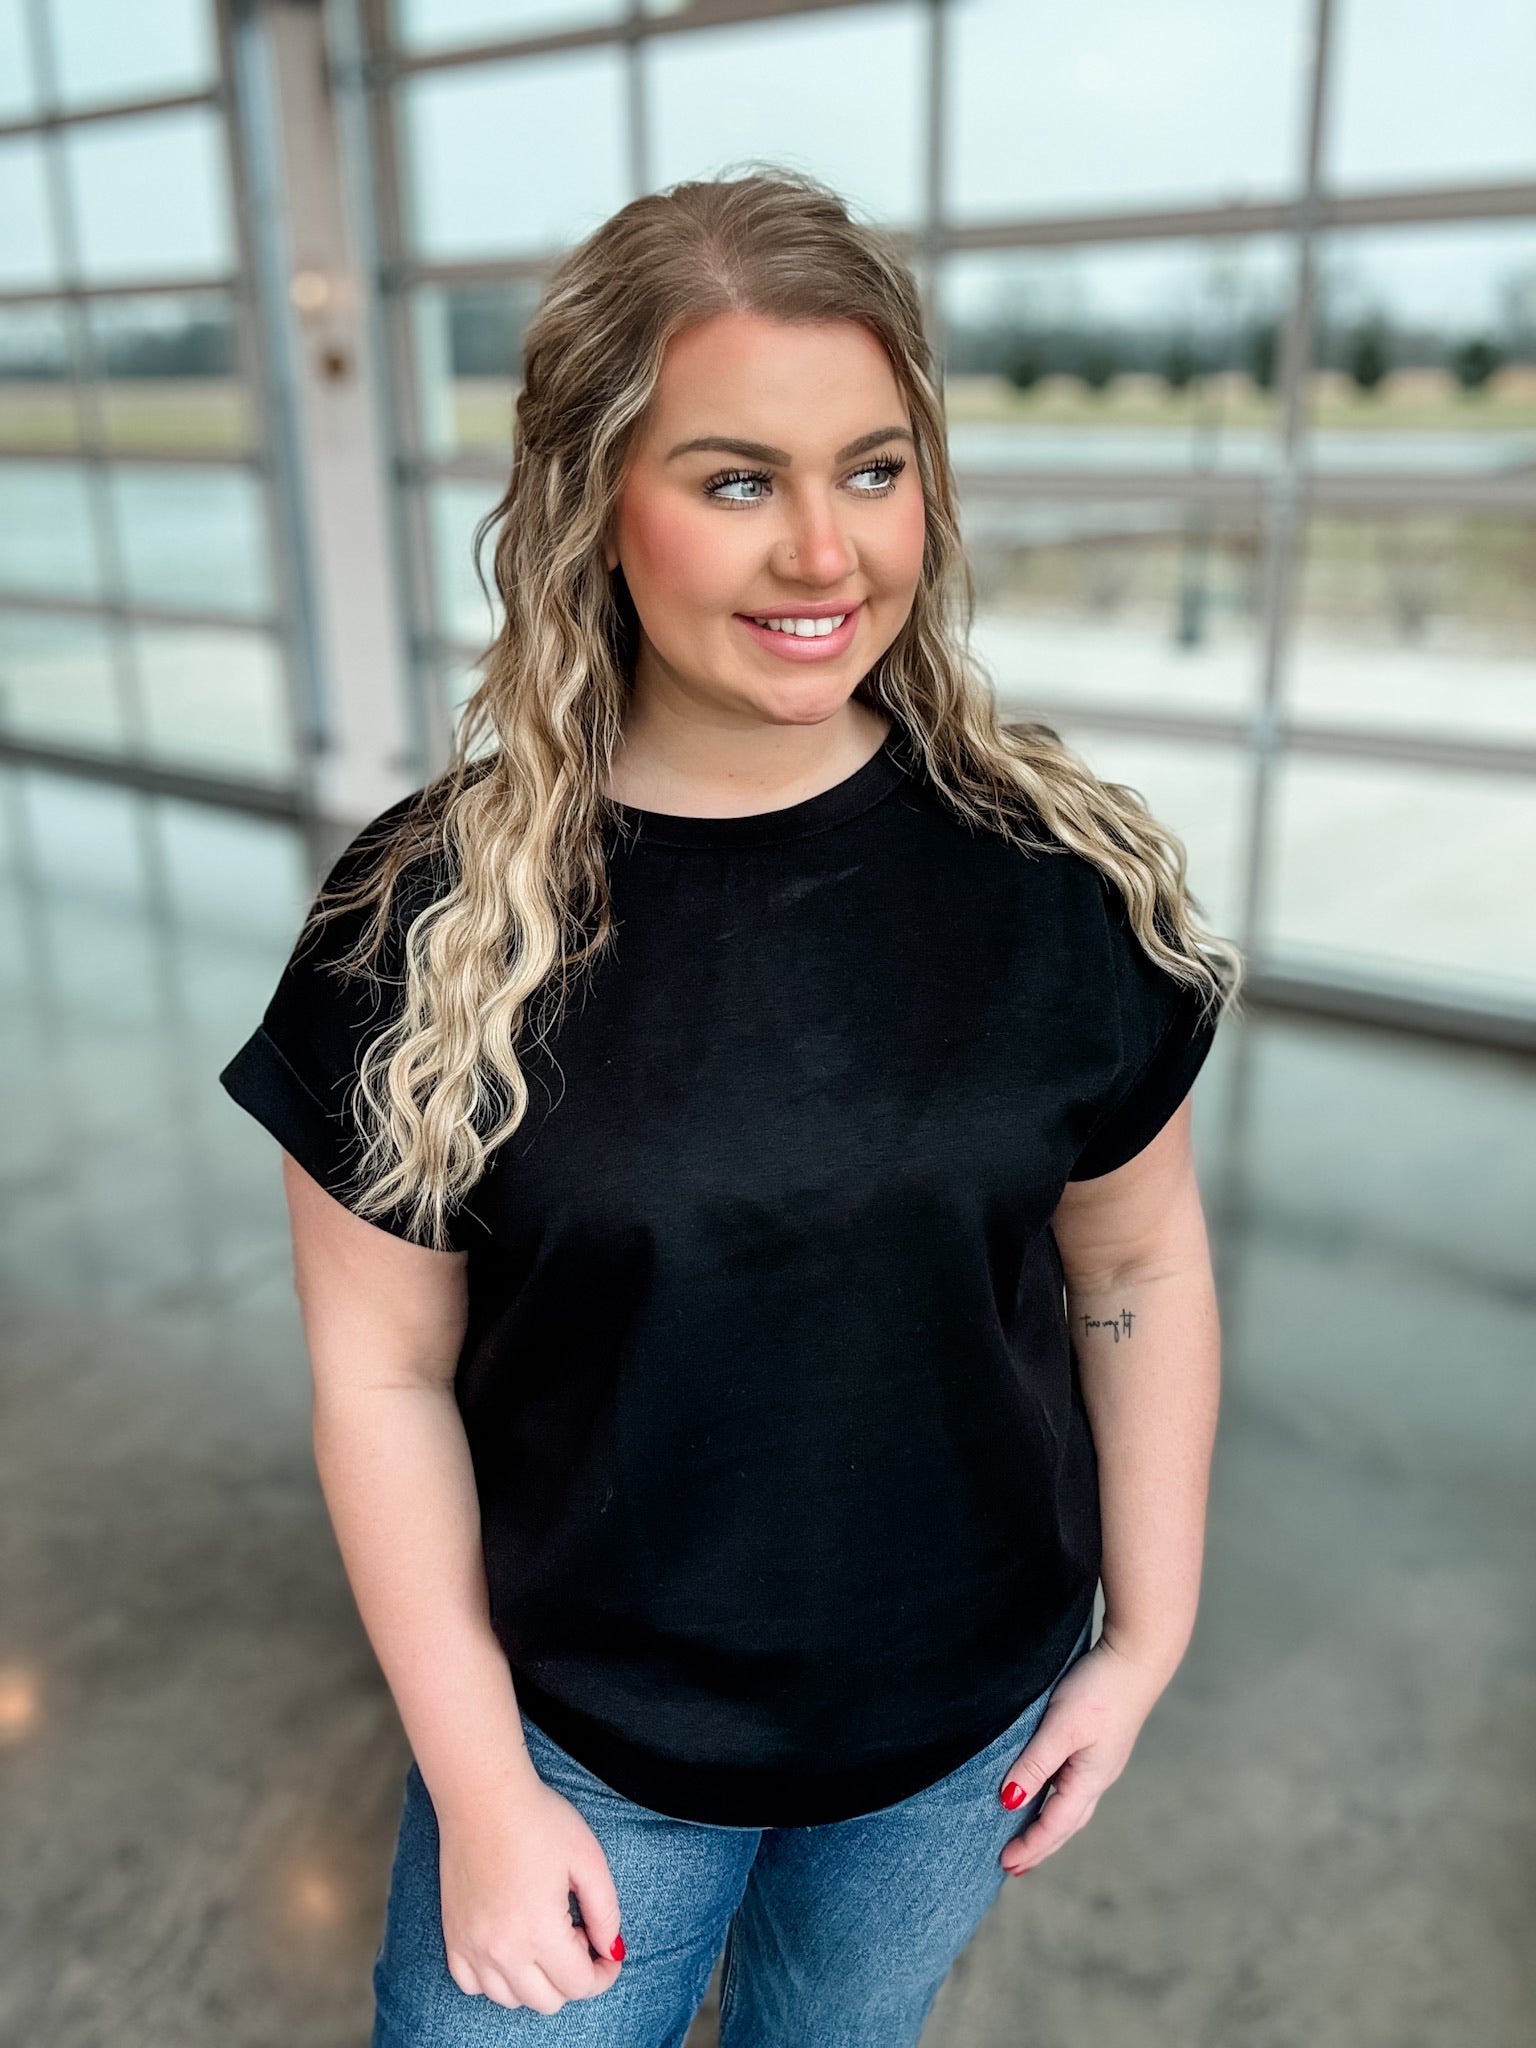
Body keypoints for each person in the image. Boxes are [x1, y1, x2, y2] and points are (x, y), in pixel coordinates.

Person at [219, 168, 1241, 2047]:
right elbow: (379, 1375)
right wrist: (482, 1792)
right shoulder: (427, 921)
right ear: (593, 505)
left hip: (962, 1742)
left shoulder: (1053, 878)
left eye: (872, 469)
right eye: (738, 481)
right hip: (579, 1754)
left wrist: (1147, 1637)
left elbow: (1139, 1266)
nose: (825, 555)